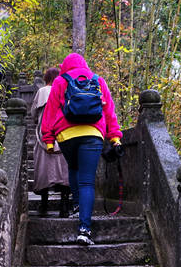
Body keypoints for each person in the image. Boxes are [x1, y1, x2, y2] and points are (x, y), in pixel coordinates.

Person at [41, 53, 122, 245]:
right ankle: (84, 230)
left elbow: (50, 110)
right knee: (87, 182)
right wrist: (115, 137)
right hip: (93, 134)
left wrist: (49, 140)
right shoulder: (98, 80)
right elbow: (109, 110)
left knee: (73, 168)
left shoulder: (61, 81)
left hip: (66, 135)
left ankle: (77, 206)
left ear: (65, 66)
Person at [30, 67, 71, 217]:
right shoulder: (66, 90)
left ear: (46, 78)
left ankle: (44, 204)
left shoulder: (42, 91)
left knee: (43, 170)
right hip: (64, 134)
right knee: (64, 170)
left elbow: (33, 113)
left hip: (45, 136)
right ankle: (64, 206)